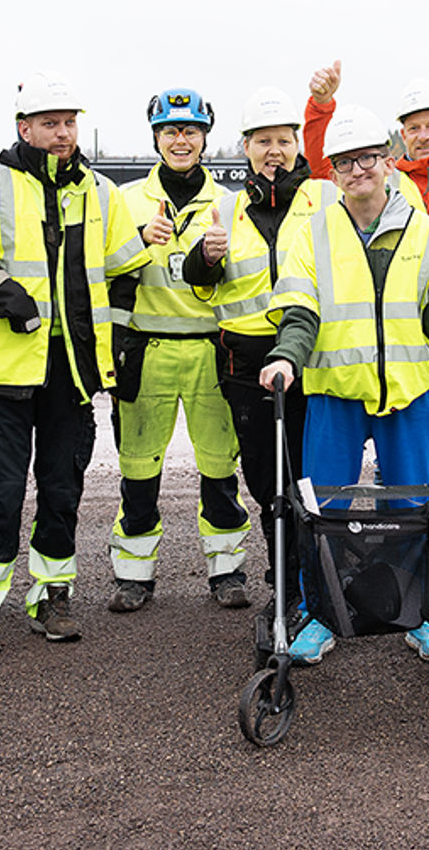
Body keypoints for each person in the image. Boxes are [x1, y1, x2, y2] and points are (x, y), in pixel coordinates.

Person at [258, 103, 429, 665]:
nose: (358, 170)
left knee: (413, 509)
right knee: (321, 510)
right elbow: (300, 308)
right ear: (332, 171)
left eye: (368, 159)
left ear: (388, 161)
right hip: (335, 391)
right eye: (346, 162)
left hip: (409, 393)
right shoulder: (311, 234)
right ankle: (319, 613)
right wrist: (286, 358)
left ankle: (421, 612)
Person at [0, 71, 148, 654]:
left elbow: (127, 271)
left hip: (75, 371)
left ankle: (51, 597)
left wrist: (122, 342)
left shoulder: (100, 192)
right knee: (1, 491)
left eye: (69, 123)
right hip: (6, 370)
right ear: (24, 127)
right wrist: (16, 304)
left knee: (62, 490)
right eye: (50, 123)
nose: (62, 133)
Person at [181, 86, 335, 611]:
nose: (275, 150)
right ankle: (286, 585)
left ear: (297, 145)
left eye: (284, 140)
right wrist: (206, 255)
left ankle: (315, 582)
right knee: (267, 483)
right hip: (246, 366)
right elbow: (198, 283)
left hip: (313, 361)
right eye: (263, 140)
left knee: (311, 481)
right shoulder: (224, 209)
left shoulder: (324, 199)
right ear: (245, 146)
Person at [107, 89, 248, 612]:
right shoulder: (125, 201)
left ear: (205, 137)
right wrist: (138, 238)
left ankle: (227, 570)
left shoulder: (229, 203)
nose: (181, 140)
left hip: (211, 350)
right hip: (148, 350)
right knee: (138, 470)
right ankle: (133, 576)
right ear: (156, 138)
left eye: (190, 130)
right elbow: (102, 269)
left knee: (219, 469)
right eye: (171, 131)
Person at [303, 60, 429, 214]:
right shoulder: (380, 178)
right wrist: (321, 105)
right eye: (414, 128)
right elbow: (323, 169)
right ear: (403, 136)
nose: (424, 136)